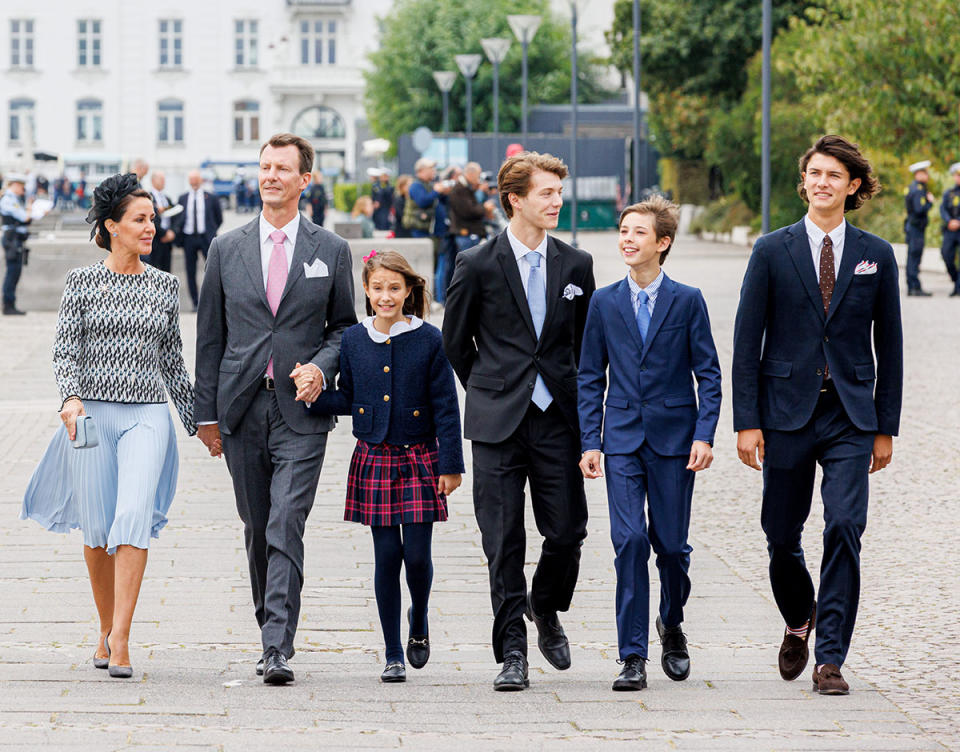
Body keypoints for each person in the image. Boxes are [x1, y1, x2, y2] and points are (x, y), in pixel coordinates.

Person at [733, 135, 903, 695]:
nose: (823, 182)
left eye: (835, 174)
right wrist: (746, 419)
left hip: (851, 417)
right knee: (780, 533)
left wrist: (885, 425)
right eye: (815, 173)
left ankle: (830, 657)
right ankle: (798, 615)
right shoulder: (770, 250)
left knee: (845, 527)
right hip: (784, 414)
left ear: (852, 185)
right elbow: (746, 339)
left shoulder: (876, 253)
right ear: (803, 181)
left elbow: (892, 346)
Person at [194, 133, 357, 686]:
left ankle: (276, 645)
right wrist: (205, 416)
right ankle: (271, 624)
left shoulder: (330, 250)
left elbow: (343, 329)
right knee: (258, 523)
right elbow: (209, 337)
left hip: (302, 411)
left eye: (283, 169)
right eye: (264, 167)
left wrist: (321, 366)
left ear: (304, 180)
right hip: (241, 408)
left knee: (287, 520)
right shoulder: (225, 248)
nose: (271, 176)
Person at [21, 172, 196, 679]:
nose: (151, 228)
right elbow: (64, 349)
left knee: (133, 517)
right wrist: (70, 397)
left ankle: (121, 637)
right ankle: (104, 626)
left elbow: (173, 364)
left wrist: (198, 426)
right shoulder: (81, 281)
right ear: (112, 226)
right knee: (97, 530)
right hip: (91, 415)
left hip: (147, 415)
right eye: (141, 220)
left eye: (153, 220)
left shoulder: (164, 285)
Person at [443, 152, 596, 691]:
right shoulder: (476, 263)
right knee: (503, 541)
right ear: (515, 199)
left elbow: (586, 346)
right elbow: (455, 344)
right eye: (546, 193)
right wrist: (491, 390)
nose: (556, 202)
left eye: (559, 192)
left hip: (559, 420)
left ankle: (546, 605)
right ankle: (512, 651)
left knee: (568, 531)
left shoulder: (577, 265)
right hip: (497, 423)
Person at [578, 196, 721, 692]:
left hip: (675, 442)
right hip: (619, 440)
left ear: (662, 243)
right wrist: (589, 442)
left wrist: (704, 435)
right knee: (630, 542)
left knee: (672, 548)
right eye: (623, 230)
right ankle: (632, 655)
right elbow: (590, 375)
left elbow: (709, 373)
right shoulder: (604, 301)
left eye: (639, 232)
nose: (627, 239)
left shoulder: (688, 300)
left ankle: (672, 622)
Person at [307, 249, 464, 683]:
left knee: (416, 556)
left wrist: (451, 466)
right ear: (366, 290)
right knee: (386, 556)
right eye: (378, 288)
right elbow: (349, 396)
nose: (386, 296)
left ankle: (420, 618)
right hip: (373, 457)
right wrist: (313, 394)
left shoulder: (430, 338)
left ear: (409, 289)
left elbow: (447, 408)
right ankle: (393, 651)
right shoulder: (355, 340)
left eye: (394, 288)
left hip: (420, 458)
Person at [175, 169, 223, 310]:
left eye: (196, 179)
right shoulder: (182, 198)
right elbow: (178, 218)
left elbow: (218, 218)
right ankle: (196, 303)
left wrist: (211, 231)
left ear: (201, 180)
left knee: (212, 270)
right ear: (189, 181)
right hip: (189, 239)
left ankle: (212, 302)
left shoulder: (211, 197)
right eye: (192, 180)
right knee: (190, 271)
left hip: (205, 238)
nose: (194, 182)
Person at [448, 162, 495, 295]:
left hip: (471, 234)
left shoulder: (466, 188)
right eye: (478, 175)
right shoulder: (459, 189)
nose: (479, 179)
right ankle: (464, 296)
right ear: (470, 174)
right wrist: (485, 208)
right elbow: (468, 211)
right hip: (466, 234)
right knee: (466, 271)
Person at [1, 173, 31, 315]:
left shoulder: (15, 199)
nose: (22, 190)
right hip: (12, 239)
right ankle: (8, 305)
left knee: (15, 271)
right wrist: (30, 210)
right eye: (21, 186)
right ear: (14, 185)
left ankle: (10, 304)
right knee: (12, 272)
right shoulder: (9, 200)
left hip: (16, 239)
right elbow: (24, 217)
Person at [903, 160, 934, 296]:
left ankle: (912, 286)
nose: (927, 176)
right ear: (919, 174)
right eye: (925, 173)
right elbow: (919, 209)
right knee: (915, 257)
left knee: (912, 256)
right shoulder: (918, 189)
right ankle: (914, 287)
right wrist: (929, 202)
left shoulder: (913, 187)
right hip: (916, 228)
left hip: (913, 227)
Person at [144, 171, 176, 273]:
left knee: (166, 271)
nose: (164, 182)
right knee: (153, 270)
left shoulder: (167, 198)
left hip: (168, 240)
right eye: (161, 179)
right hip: (155, 239)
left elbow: (174, 216)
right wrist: (164, 233)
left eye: (164, 179)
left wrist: (172, 232)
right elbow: (150, 219)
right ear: (153, 181)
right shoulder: (147, 197)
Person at [939, 162, 960, 297]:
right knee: (946, 254)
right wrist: (949, 221)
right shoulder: (949, 193)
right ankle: (955, 279)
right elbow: (943, 209)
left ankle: (958, 288)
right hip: (950, 229)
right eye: (957, 175)